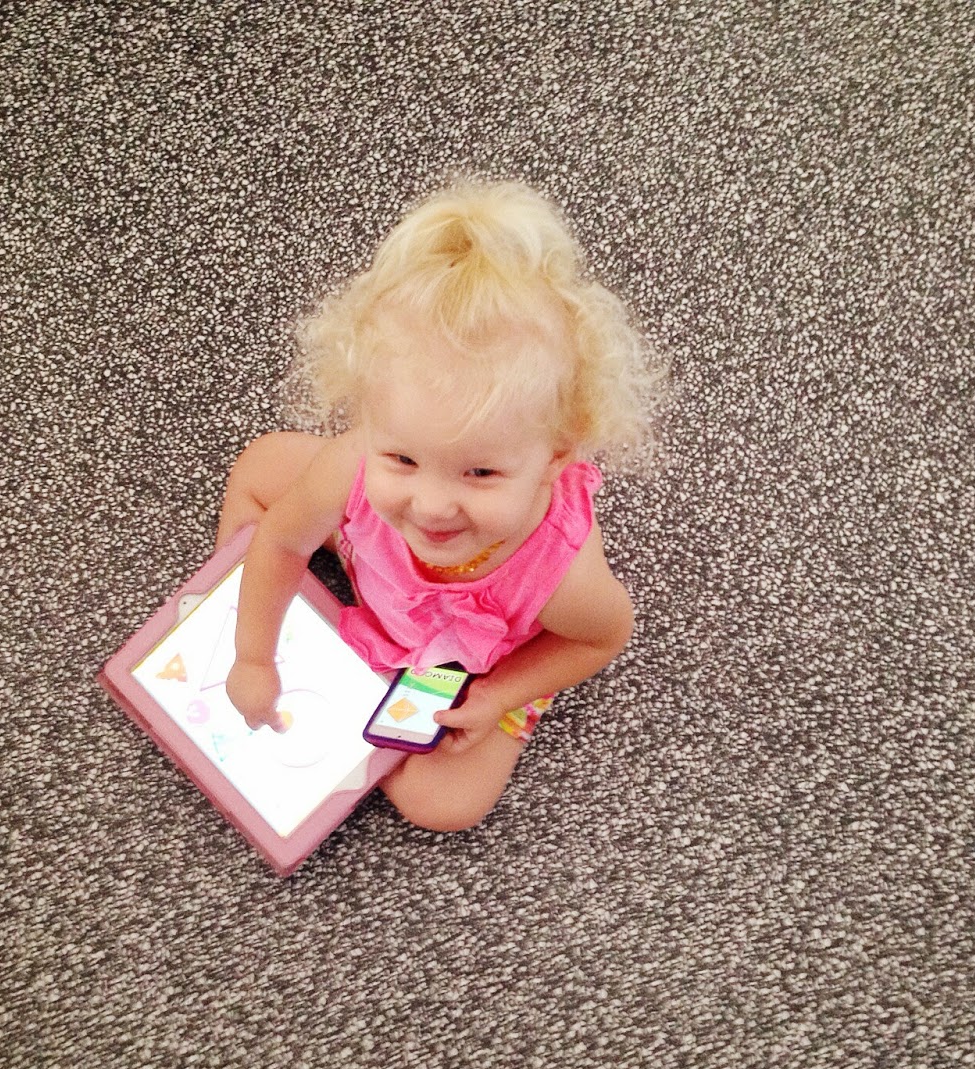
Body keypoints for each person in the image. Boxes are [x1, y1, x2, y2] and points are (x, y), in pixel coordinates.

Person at [217, 179, 657, 832]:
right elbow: (282, 539)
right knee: (263, 468)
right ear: (370, 422)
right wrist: (252, 654)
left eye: (480, 472)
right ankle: (247, 603)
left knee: (443, 806)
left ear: (556, 458)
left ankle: (385, 657)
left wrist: (498, 696)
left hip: (481, 649)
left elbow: (601, 637)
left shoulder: (562, 580)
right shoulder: (353, 466)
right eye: (402, 457)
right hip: (375, 561)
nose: (430, 507)